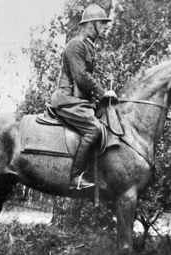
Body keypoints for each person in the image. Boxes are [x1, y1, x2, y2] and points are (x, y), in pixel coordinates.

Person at [50, 4, 117, 189]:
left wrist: (102, 100)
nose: (105, 27)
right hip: (67, 101)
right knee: (93, 129)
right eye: (102, 23)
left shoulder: (88, 46)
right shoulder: (76, 45)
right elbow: (81, 77)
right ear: (90, 24)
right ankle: (76, 177)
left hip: (79, 101)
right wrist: (103, 93)